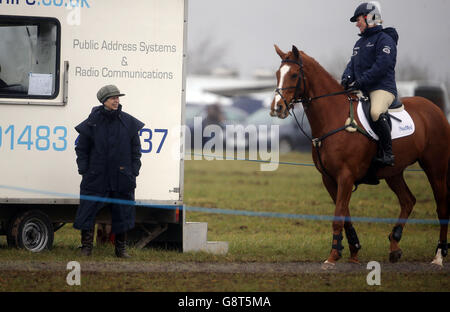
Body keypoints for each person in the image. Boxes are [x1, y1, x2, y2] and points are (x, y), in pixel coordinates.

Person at [73, 85, 144, 257]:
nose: (116, 100)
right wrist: (85, 170)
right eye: (113, 98)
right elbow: (81, 149)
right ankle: (86, 247)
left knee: (123, 212)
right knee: (88, 210)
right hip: (96, 177)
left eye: (118, 97)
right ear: (104, 100)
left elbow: (136, 150)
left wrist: (133, 171)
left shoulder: (128, 122)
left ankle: (121, 250)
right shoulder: (92, 122)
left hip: (122, 177)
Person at [341, 2, 398, 166]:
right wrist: (346, 78)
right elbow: (351, 65)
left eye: (359, 19)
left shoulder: (385, 40)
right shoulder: (359, 44)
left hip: (382, 89)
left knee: (375, 112)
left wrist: (360, 81)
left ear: (371, 18)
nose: (357, 24)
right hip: (364, 89)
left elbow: (381, 67)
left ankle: (388, 153)